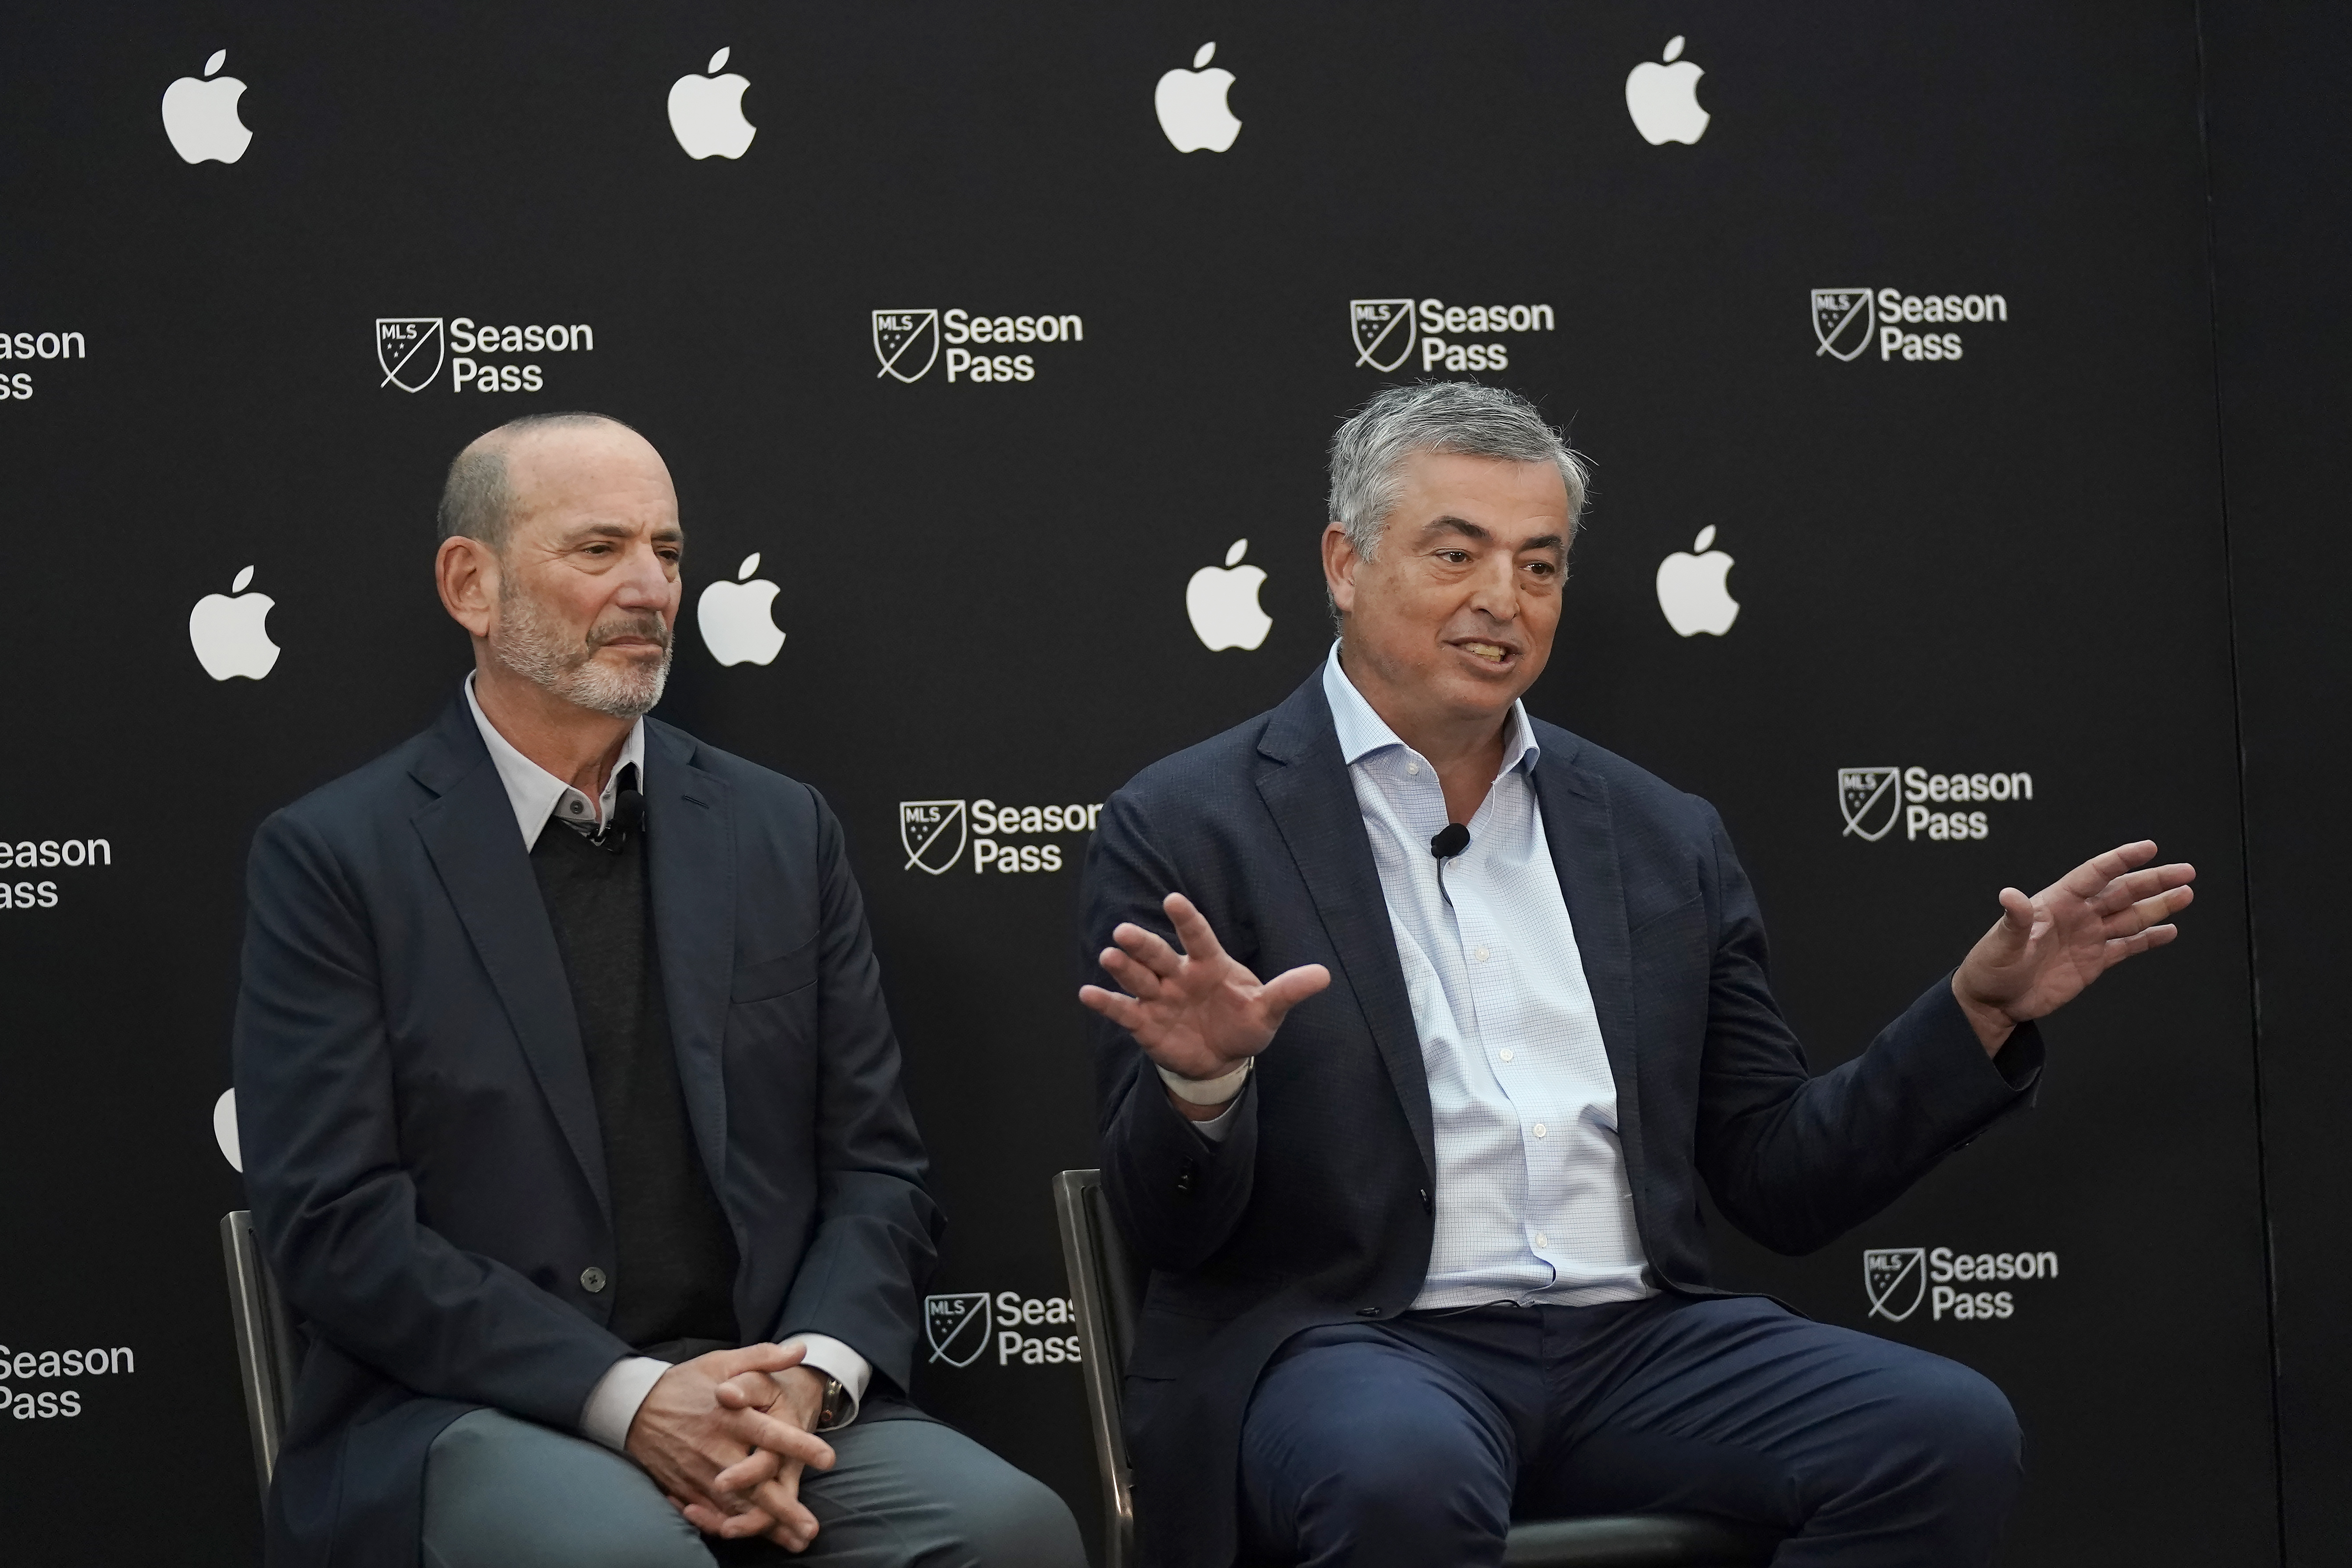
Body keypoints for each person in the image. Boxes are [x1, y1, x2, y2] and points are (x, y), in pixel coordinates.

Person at [1076, 382, 2196, 1568]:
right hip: (1358, 1345)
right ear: (1345, 564)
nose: (1501, 599)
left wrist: (1978, 1013)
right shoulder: (1193, 822)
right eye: (1456, 553)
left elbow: (1779, 1177)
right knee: (1399, 1472)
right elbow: (1168, 1230)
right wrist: (1201, 1092)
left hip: (1637, 1349)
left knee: (1941, 1432)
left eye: (1540, 566)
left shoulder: (1661, 834)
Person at [234, 412, 1083, 1568]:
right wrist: (628, 1397)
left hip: (764, 1394)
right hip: (468, 1408)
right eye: (600, 551)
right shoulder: (338, 857)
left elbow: (876, 1169)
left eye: (669, 553)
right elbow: (338, 1230)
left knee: (1009, 1531)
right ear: (470, 584)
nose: (651, 589)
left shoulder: (782, 830)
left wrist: (809, 1387)